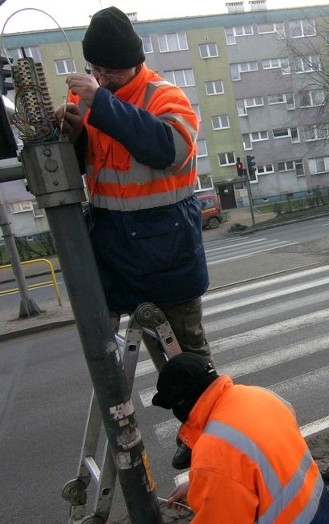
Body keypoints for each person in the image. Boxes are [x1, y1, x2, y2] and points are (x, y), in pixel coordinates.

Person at [56, 6, 210, 469]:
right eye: (95, 70)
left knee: (182, 359)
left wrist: (101, 107)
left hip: (166, 257)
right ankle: (157, 441)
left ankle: (205, 436)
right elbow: (99, 172)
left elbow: (169, 149)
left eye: (110, 71)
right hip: (119, 253)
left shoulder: (165, 96)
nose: (101, 79)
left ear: (135, 62)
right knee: (124, 356)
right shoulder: (95, 98)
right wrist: (76, 135)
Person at [154, 353, 329, 523]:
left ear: (182, 403)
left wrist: (209, 483)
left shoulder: (212, 455)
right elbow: (260, 463)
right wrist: (201, 485)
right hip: (319, 504)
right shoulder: (260, 395)